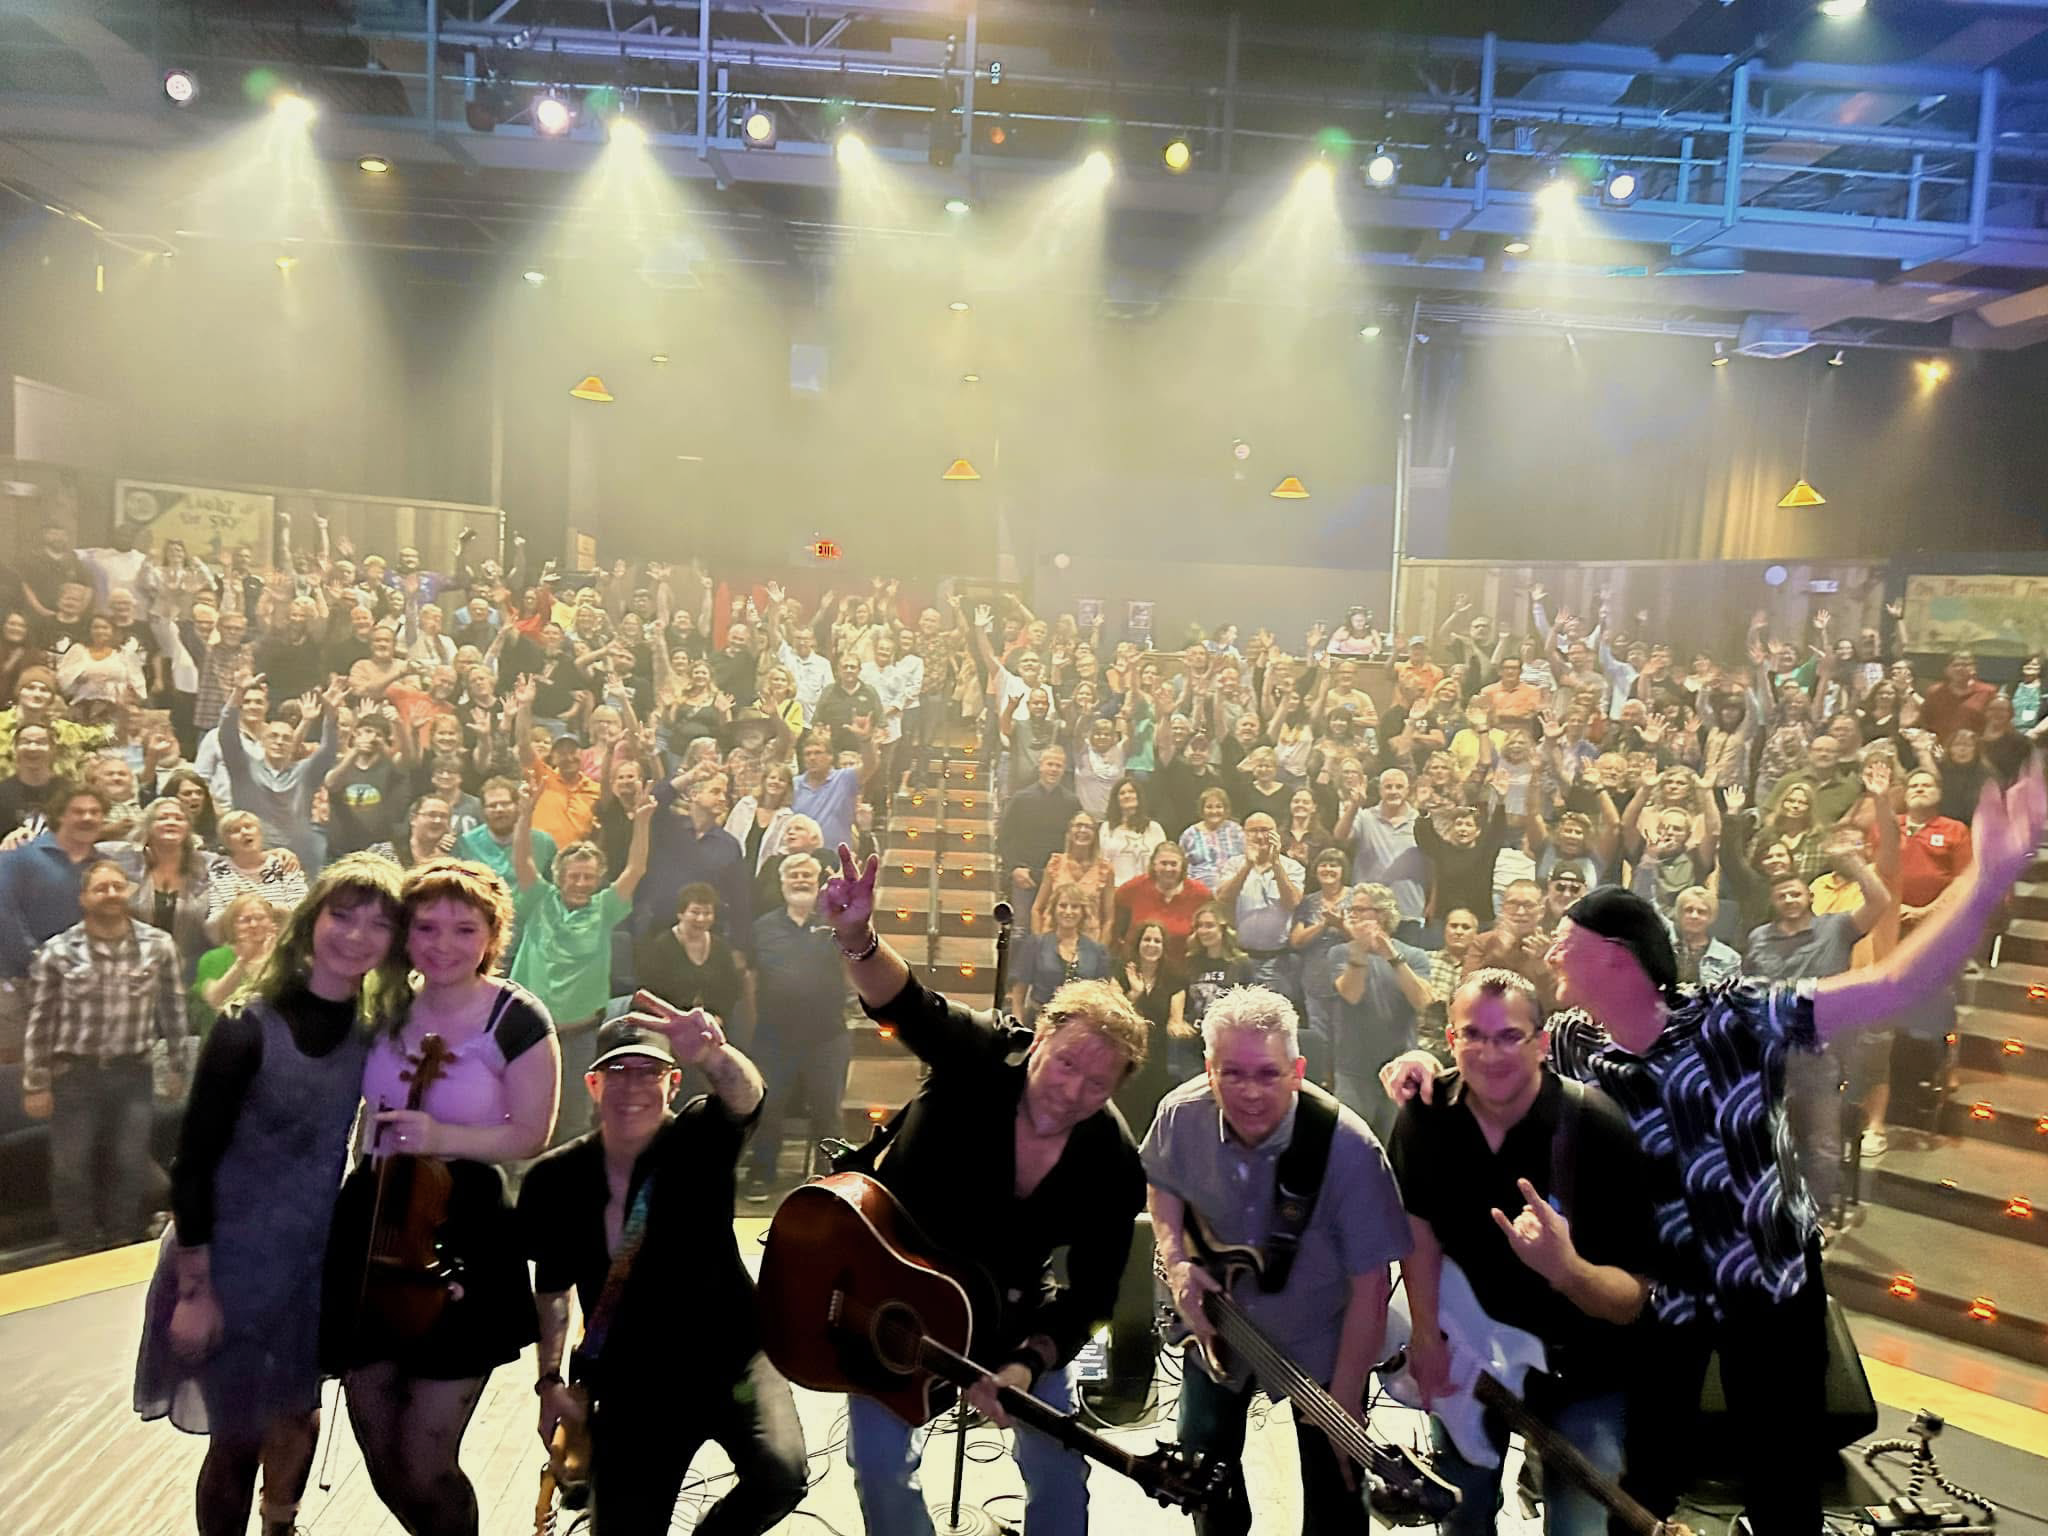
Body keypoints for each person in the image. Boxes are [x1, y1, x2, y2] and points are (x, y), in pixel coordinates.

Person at [1379, 755, 2046, 1536]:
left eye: (1566, 943)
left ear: (1616, 956)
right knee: (1643, 1490)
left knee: (1784, 1492)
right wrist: (1417, 1062)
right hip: (1666, 1303)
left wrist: (1986, 882)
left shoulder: (1732, 1014)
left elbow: (1892, 986)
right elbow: (1489, 1055)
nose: (1552, 955)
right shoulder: (1575, 1042)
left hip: (1772, 1287)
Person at [818, 843, 1148, 1536]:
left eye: (1097, 1084)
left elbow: (1092, 1295)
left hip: (1008, 1308)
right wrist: (857, 938)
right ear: (1041, 1036)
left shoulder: (1113, 1160)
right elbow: (906, 1005)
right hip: (894, 1287)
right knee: (877, 1463)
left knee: (1058, 1462)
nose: (1072, 1092)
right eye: (1066, 1066)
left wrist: (1029, 1363)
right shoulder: (981, 1056)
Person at [135, 856, 408, 1536]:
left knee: (298, 1417)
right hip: (225, 1261)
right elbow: (193, 1164)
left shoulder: (372, 1030)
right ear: (311, 921)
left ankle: (280, 1523)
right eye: (342, 915)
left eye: (378, 924)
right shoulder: (245, 1025)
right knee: (237, 1438)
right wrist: (196, 1291)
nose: (357, 935)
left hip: (309, 1262)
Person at [325, 859, 562, 1536]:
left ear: (491, 936)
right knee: (378, 1443)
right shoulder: (383, 1006)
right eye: (426, 927)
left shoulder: (517, 1017)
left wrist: (441, 1135)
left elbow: (531, 1133)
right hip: (374, 1216)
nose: (443, 944)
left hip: (464, 1226)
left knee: (426, 1458)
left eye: (464, 929)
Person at [519, 1001, 807, 1536]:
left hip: (733, 1358)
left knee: (781, 1474)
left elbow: (747, 1097)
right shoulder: (555, 1179)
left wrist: (715, 1055)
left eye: (648, 1072)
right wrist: (549, 1381)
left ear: (673, 1083)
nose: (632, 1086)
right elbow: (552, 1289)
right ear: (593, 1084)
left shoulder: (701, 1137)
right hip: (634, 1379)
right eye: (617, 1072)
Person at [1391, 969, 1656, 1536]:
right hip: (1467, 1360)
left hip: (1583, 1369)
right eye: (1473, 1035)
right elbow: (1419, 1228)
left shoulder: (1596, 1128)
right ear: (1450, 1039)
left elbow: (1631, 1300)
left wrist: (1568, 1270)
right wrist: (1425, 1333)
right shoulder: (1426, 1117)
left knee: (1578, 1528)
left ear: (1541, 1043)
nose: (1490, 1054)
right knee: (1462, 1518)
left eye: (1510, 1036)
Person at [1145, 985, 1410, 1536]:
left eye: (1269, 1074)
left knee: (1337, 1495)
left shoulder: (1350, 1149)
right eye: (1232, 1074)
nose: (1250, 1092)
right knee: (1204, 1480)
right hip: (1215, 1327)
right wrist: (1175, 1260)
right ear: (1208, 1069)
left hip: (1320, 1338)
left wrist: (1346, 1396)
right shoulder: (1179, 1113)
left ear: (1298, 1070)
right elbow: (1162, 1185)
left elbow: (1371, 1284)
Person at [23, 857, 186, 1252]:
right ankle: (79, 1248)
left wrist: (178, 1065)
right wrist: (35, 1083)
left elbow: (173, 1008)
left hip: (134, 1075)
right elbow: (40, 1022)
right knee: (71, 1169)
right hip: (75, 1076)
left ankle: (120, 1242)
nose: (111, 893)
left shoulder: (158, 945)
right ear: (84, 898)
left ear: (128, 892)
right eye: (101, 888)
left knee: (130, 1164)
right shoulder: (57, 952)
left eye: (117, 886)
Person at [509, 783, 655, 1136]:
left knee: (575, 1118)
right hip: (531, 1030)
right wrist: (525, 814)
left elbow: (636, 868)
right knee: (523, 1111)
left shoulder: (605, 907)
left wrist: (642, 823)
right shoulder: (540, 898)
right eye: (573, 876)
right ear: (559, 876)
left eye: (588, 877)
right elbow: (522, 860)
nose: (580, 882)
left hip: (581, 1034)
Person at [743, 852, 849, 1200]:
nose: (800, 880)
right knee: (769, 1110)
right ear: (782, 883)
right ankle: (762, 1174)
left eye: (807, 875)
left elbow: (855, 962)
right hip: (774, 1037)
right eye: (794, 875)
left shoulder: (836, 925)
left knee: (827, 1113)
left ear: (818, 883)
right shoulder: (763, 927)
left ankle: (830, 1181)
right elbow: (751, 980)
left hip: (827, 1036)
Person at [0, 784, 111, 1071]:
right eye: (78, 811)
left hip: (79, 987)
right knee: (13, 1071)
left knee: (68, 1072)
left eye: (95, 812)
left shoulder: (106, 867)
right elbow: (5, 913)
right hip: (17, 983)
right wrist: (37, 960)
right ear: (60, 815)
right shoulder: (19, 856)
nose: (87, 818)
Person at [1330, 884, 1434, 1142]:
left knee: (1397, 1146)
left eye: (1360, 910)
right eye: (1351, 910)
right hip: (1353, 1071)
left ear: (1383, 914)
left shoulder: (1414, 956)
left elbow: (1422, 1002)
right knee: (1351, 1145)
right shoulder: (1340, 952)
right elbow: (1351, 994)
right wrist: (1359, 952)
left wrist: (1392, 957)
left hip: (1400, 1071)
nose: (1353, 916)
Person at [216, 678, 344, 873]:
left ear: (294, 745)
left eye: (286, 738)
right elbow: (227, 736)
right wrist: (238, 694)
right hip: (253, 856)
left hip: (299, 858)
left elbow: (329, 750)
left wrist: (331, 714)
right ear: (262, 741)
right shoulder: (243, 767)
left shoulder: (305, 772)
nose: (279, 742)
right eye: (273, 736)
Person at [632, 882, 746, 1023]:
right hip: (667, 1023)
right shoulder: (660, 947)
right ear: (680, 914)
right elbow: (648, 996)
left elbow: (731, 990)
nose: (701, 919)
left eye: (707, 913)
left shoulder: (720, 947)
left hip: (712, 1023)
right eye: (695, 912)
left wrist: (719, 1016)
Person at [1113, 919, 1187, 1132]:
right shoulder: (1120, 971)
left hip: (1158, 1053)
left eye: (1157, 941)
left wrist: (1178, 1025)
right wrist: (1135, 993)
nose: (1151, 945)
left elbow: (1175, 1018)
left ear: (1164, 947)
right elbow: (1115, 1013)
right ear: (1138, 943)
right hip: (1127, 1047)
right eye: (1147, 939)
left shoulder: (1175, 978)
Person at [1014, 882, 1115, 1023]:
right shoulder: (1036, 944)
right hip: (1039, 1022)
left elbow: (1103, 995)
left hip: (1080, 1026)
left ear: (1083, 912)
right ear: (1054, 909)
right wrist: (1017, 1024)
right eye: (1063, 905)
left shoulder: (1097, 951)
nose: (1068, 911)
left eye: (1075, 907)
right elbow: (1019, 992)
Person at [998, 743, 1083, 899]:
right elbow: (1005, 838)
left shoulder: (1072, 803)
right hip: (1025, 876)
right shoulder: (1021, 799)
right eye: (1050, 764)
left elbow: (1078, 840)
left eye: (1058, 766)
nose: (1053, 769)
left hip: (1059, 878)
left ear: (1064, 770)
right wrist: (1014, 868)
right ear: (1040, 766)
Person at [1112, 840, 1212, 964]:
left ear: (1183, 866)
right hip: (1138, 966)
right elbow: (1116, 927)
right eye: (1163, 863)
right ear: (1154, 865)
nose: (1168, 869)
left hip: (1184, 967)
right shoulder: (1132, 889)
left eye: (1174, 864)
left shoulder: (1201, 894)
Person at [1031, 810, 1115, 939]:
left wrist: (1101, 948)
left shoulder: (1105, 869)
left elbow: (1109, 919)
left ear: (1095, 835)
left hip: (1089, 942)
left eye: (1088, 827)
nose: (1082, 830)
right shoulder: (1055, 864)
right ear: (1069, 832)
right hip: (1052, 940)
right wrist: (1038, 943)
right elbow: (1037, 909)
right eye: (1078, 825)